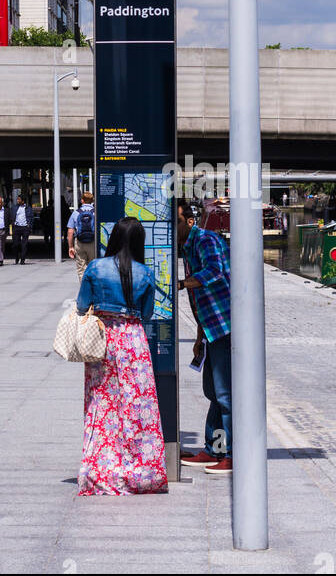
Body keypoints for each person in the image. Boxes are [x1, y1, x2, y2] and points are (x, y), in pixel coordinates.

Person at [76, 217, 167, 496]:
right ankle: (140, 468)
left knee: (102, 403)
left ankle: (100, 468)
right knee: (137, 407)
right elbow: (149, 313)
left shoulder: (95, 268)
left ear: (114, 238)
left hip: (103, 341)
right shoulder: (145, 273)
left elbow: (81, 306)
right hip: (133, 342)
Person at [177, 199, 232, 474]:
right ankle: (215, 449)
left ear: (189, 221)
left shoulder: (206, 240)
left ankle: (231, 454)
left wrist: (179, 283)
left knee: (224, 393)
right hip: (211, 328)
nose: (171, 229)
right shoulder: (188, 248)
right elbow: (201, 300)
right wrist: (199, 336)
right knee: (213, 392)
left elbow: (214, 272)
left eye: (175, 222)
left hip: (226, 326)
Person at [68, 192, 96, 281]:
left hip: (80, 242)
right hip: (93, 242)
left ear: (82, 200)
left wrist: (70, 247)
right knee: (93, 266)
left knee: (81, 268)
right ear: (92, 200)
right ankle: (93, 289)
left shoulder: (76, 213)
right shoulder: (96, 212)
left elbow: (70, 231)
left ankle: (84, 289)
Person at [11, 192, 33, 264]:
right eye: (17, 199)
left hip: (25, 228)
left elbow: (31, 218)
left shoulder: (28, 208)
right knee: (15, 244)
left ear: (23, 201)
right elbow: (12, 217)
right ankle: (17, 257)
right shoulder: (14, 208)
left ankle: (22, 260)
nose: (17, 201)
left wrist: (29, 227)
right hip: (16, 228)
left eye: (19, 199)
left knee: (24, 245)